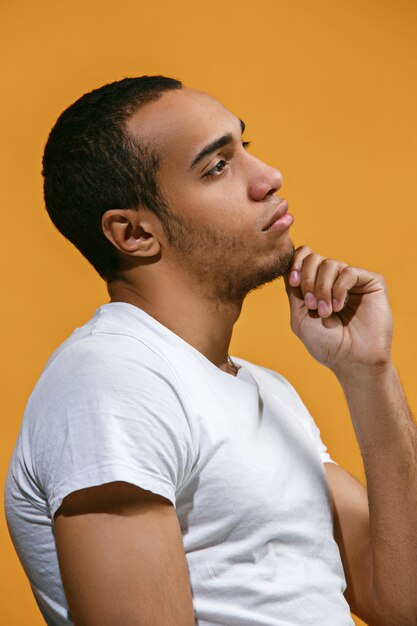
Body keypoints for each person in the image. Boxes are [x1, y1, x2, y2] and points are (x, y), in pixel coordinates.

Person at [5, 75, 417, 626]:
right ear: (133, 233)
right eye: (217, 166)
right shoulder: (112, 379)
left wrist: (369, 373)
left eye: (244, 147)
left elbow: (402, 600)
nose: (269, 177)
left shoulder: (262, 390)